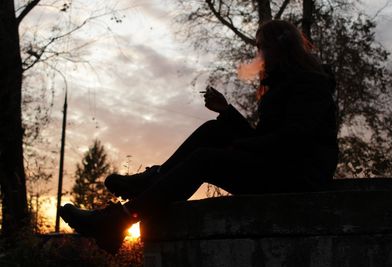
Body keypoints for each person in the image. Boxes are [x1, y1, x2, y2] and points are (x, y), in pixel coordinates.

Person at [60, 19, 339, 254]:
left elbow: (293, 139)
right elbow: (267, 139)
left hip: (296, 179)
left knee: (206, 158)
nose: (261, 55)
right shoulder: (283, 84)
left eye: (264, 47)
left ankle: (118, 220)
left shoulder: (310, 83)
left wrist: (238, 144)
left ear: (281, 48)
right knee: (214, 129)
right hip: (280, 169)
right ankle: (147, 185)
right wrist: (227, 113)